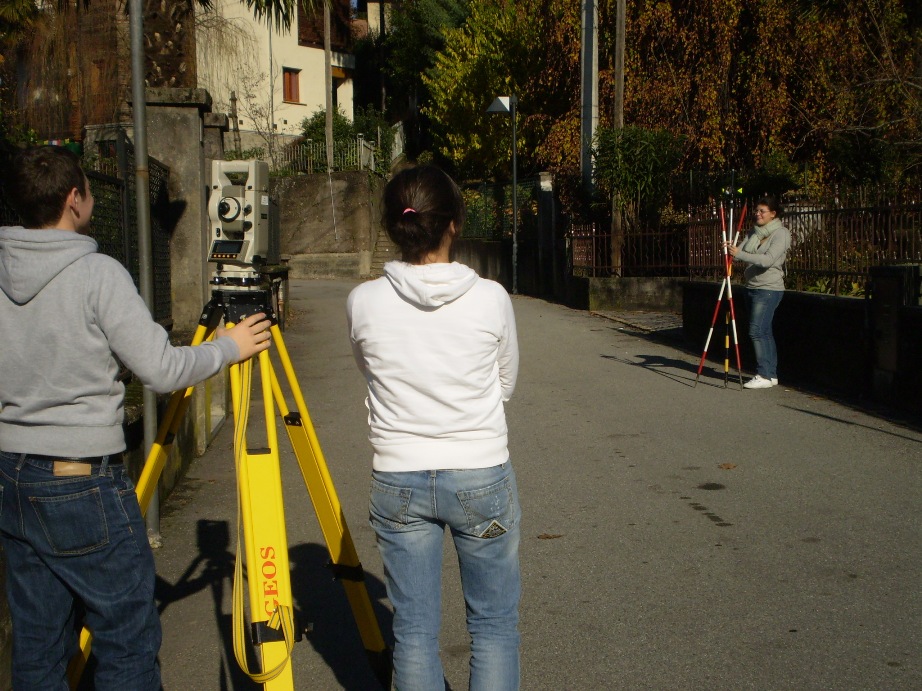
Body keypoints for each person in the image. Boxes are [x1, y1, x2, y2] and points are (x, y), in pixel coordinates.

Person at [0, 145, 272, 689]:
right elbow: (163, 370)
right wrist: (227, 348)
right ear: (74, 199)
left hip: (12, 479)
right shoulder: (97, 273)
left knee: (38, 648)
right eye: (91, 191)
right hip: (81, 479)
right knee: (126, 642)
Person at [346, 165, 521, 690]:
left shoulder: (363, 302)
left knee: (415, 631)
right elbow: (504, 381)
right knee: (492, 626)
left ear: (394, 226)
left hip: (398, 476)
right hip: (479, 472)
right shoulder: (491, 297)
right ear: (454, 224)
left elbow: (368, 371)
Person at [727, 194, 792, 389]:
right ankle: (770, 374)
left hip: (769, 288)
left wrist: (740, 254)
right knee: (764, 331)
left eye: (762, 211)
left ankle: (763, 373)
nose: (758, 214)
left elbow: (767, 260)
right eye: (756, 211)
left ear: (773, 214)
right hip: (752, 287)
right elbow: (739, 253)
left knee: (756, 330)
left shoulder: (781, 234)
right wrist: (731, 249)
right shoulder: (754, 232)